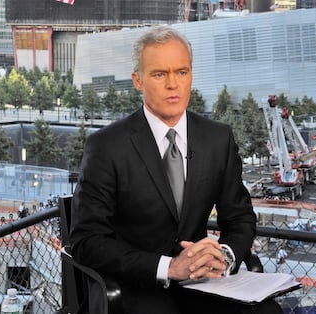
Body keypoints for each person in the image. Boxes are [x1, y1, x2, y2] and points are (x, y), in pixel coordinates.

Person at [70, 25, 282, 314]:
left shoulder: (218, 138)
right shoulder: (107, 146)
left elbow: (240, 217)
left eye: (182, 72)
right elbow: (87, 241)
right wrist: (169, 267)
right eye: (160, 74)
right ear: (138, 81)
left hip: (203, 284)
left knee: (269, 311)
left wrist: (225, 255)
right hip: (137, 288)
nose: (173, 84)